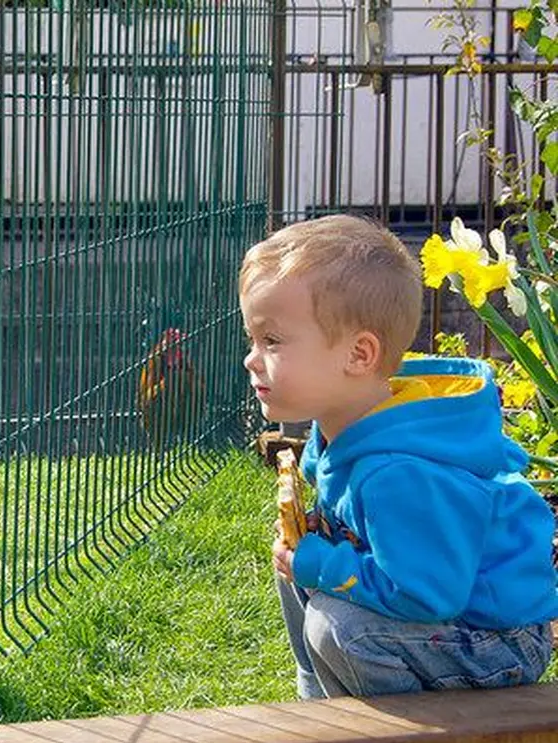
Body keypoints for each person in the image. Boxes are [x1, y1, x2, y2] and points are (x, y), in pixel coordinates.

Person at [239, 214, 558, 698]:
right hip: (448, 616)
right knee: (296, 565)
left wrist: (323, 566)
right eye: (253, 339)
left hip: (496, 641)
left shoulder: (399, 474)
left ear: (359, 355)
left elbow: (427, 595)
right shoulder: (344, 430)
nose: (251, 358)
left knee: (338, 626)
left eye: (273, 341)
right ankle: (319, 710)